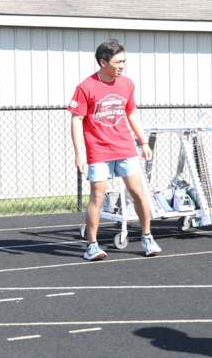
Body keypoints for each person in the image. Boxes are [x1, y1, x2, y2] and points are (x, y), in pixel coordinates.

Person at [69, 39, 161, 261]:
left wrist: (143, 142)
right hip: (98, 151)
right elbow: (76, 120)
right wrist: (79, 153)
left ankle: (147, 237)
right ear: (103, 62)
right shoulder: (85, 87)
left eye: (124, 61)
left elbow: (131, 113)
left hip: (125, 148)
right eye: (118, 62)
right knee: (98, 196)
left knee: (138, 192)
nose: (122, 66)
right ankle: (92, 246)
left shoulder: (127, 84)